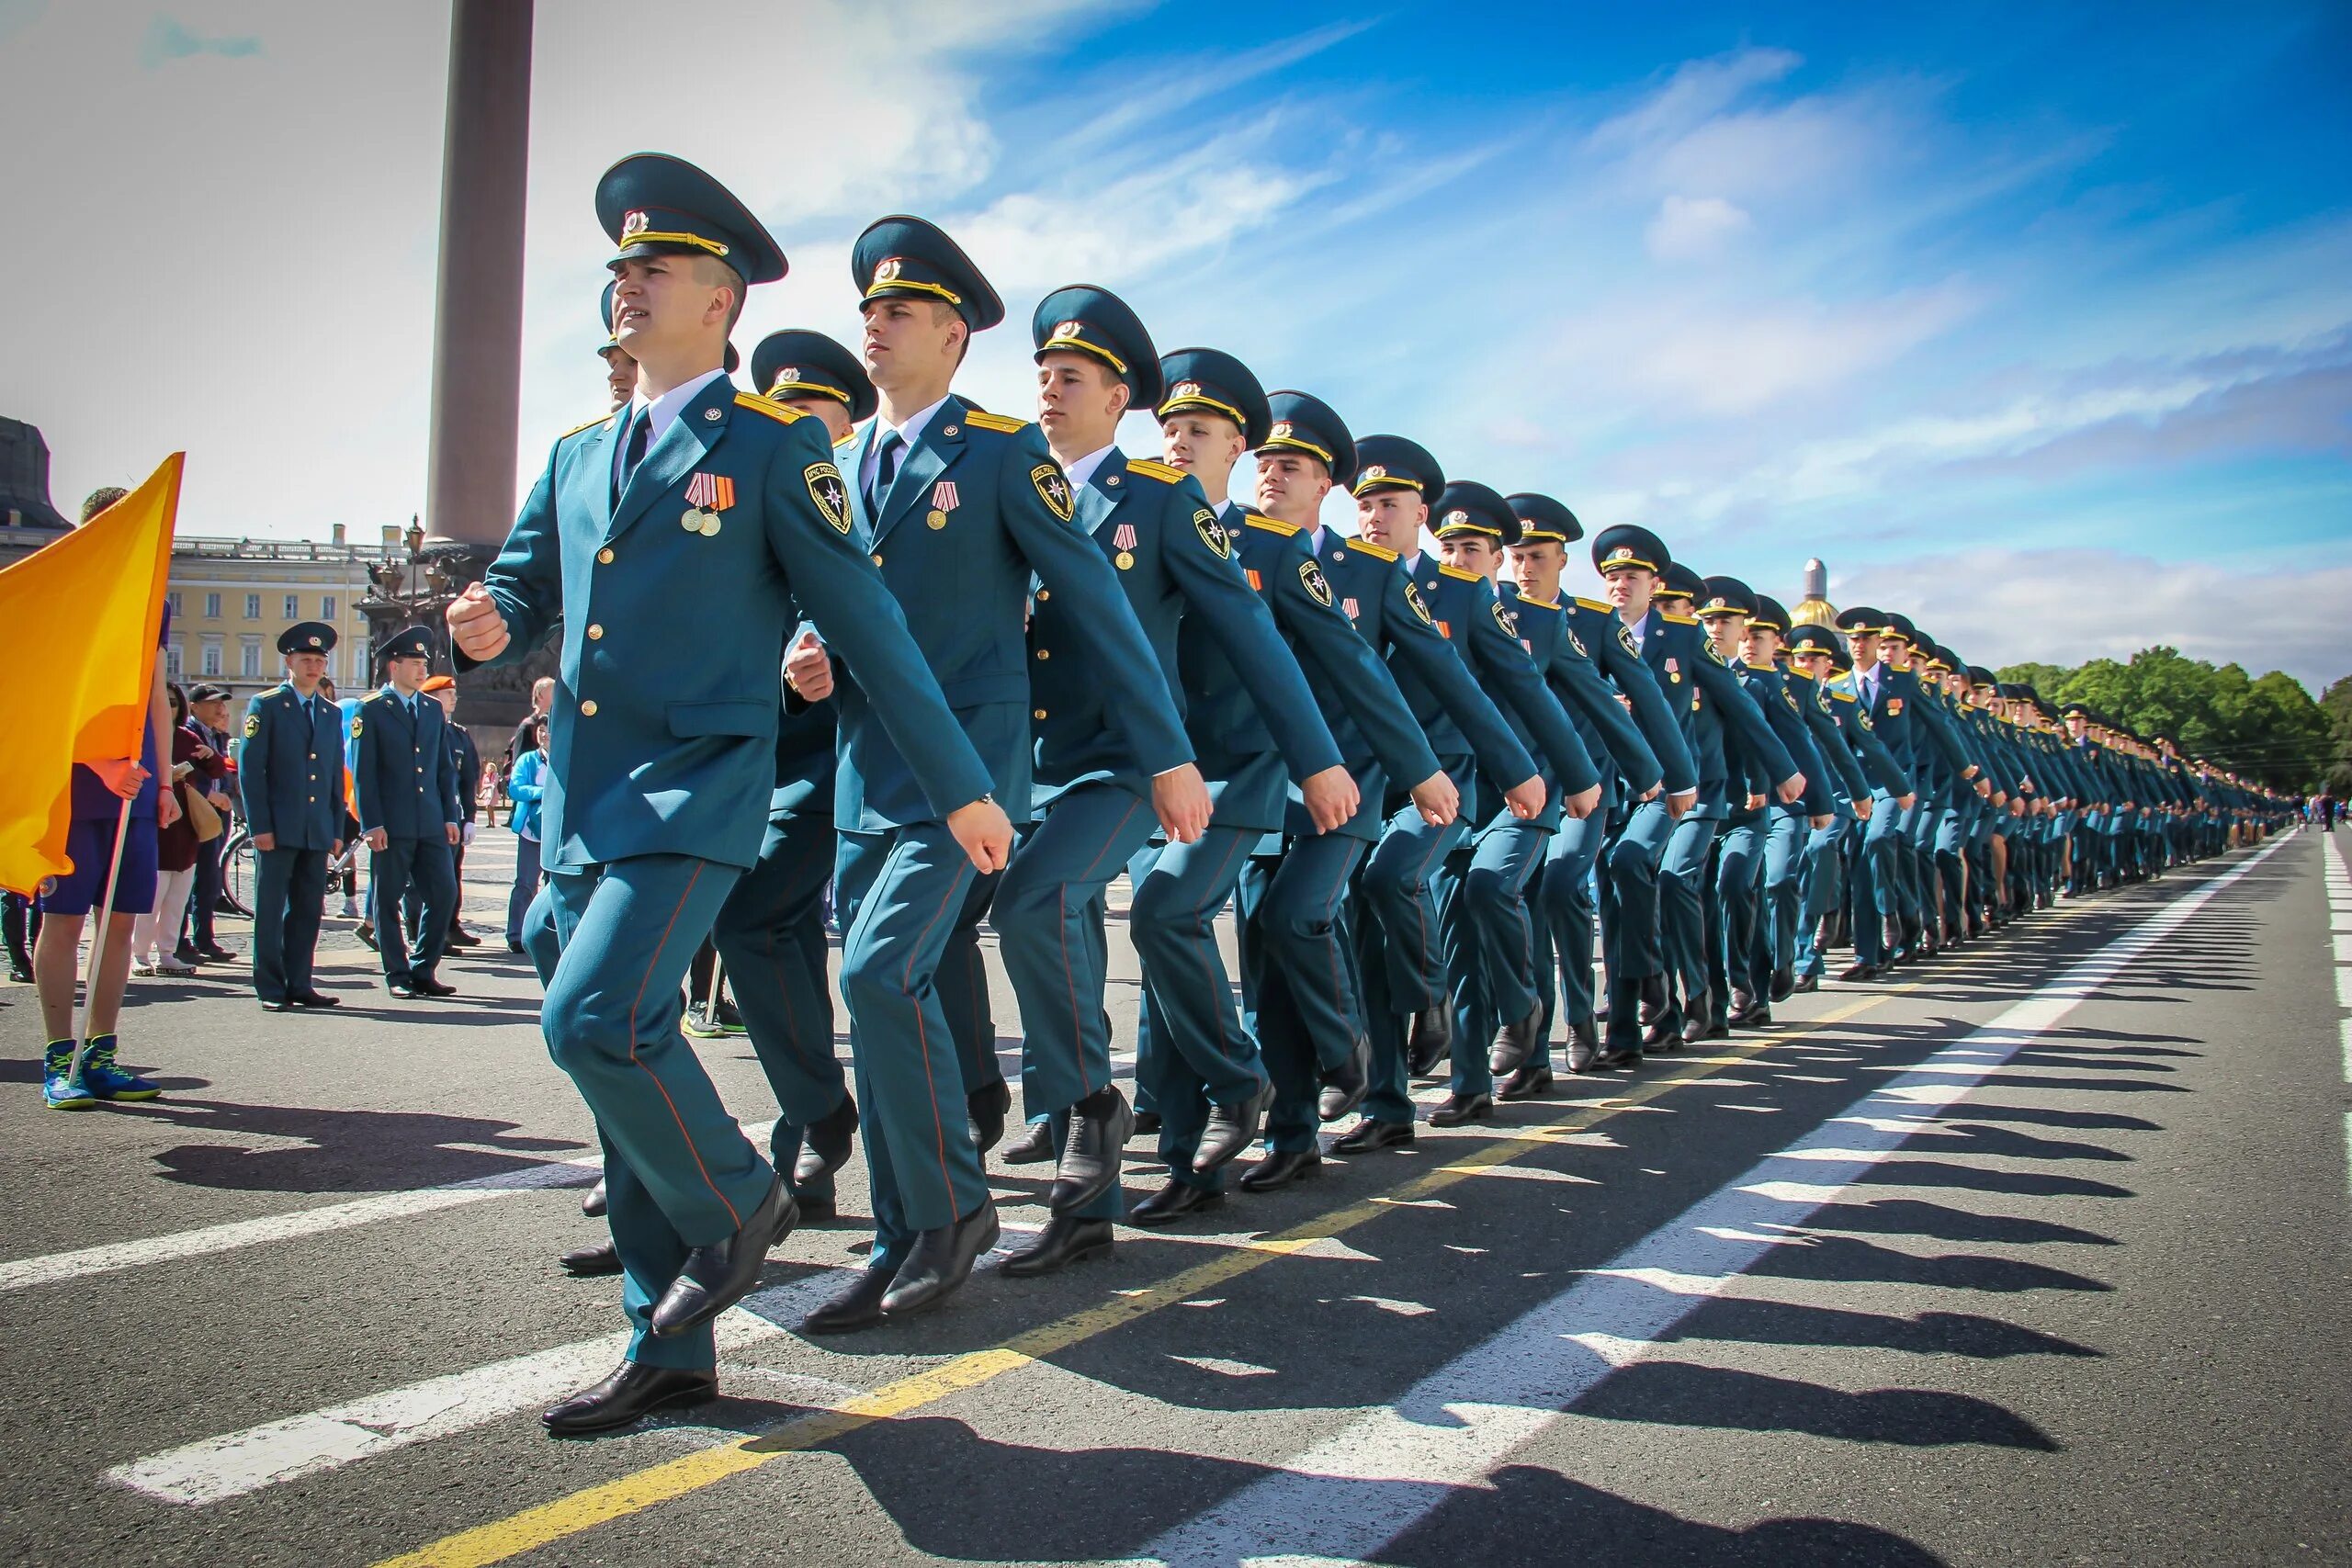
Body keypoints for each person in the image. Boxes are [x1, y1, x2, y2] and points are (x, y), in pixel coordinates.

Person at [447, 156, 1010, 1434]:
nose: (625, 286)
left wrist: (962, 785)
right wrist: (490, 619)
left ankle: (739, 1200)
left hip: (695, 790)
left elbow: (865, 619)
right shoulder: (582, 448)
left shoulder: (767, 447)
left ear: (717, 300)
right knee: (617, 1051)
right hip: (585, 799)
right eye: (620, 270)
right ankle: (671, 1343)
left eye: (651, 269)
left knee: (597, 1019)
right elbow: (529, 581)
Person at [777, 218, 1194, 1332]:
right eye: (867, 309)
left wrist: (1167, 757)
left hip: (969, 774)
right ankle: (904, 1227)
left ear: (952, 335)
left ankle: (952, 1214)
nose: (873, 324)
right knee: (876, 999)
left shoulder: (1001, 451)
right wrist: (806, 659)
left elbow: (1099, 605)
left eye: (897, 311)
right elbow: (841, 608)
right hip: (869, 771)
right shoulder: (841, 462)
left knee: (878, 975)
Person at [987, 286, 1341, 1276]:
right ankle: (1075, 1139)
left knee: (1054, 905)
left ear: (1115, 398)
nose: (1047, 396)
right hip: (1022, 768)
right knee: (1051, 933)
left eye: (1068, 379)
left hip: (1126, 763)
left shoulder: (1157, 500)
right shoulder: (1011, 483)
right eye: (1040, 379)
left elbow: (1251, 636)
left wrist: (1317, 761)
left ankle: (1103, 1114)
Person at [1135, 348, 1437, 1222]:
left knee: (1279, 929)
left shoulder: (1321, 562)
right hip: (1177, 771)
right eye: (1267, 460)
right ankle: (1210, 1153)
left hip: (1297, 773)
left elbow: (1367, 673)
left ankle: (1328, 1086)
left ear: (1326, 485)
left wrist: (1421, 772)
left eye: (1289, 464)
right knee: (1224, 959)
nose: (1272, 476)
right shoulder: (1162, 518)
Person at [38, 486, 177, 1109]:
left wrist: (166, 780)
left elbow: (156, 695)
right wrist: (95, 761)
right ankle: (57, 1057)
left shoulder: (153, 602)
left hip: (140, 790)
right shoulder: (64, 589)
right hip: (74, 787)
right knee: (64, 919)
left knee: (121, 922)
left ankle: (100, 1052)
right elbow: (45, 694)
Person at [240, 623, 348, 1012]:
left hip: (316, 829)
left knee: (307, 910)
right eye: (306, 659)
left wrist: (336, 828)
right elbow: (251, 770)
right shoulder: (267, 705)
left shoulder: (330, 712)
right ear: (289, 662)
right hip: (279, 827)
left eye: (319, 660)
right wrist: (259, 826)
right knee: (269, 911)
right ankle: (270, 985)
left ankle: (300, 981)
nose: (313, 666)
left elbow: (335, 773)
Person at [352, 626, 462, 998]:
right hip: (393, 824)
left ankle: (423, 967)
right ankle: (397, 973)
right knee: (387, 900)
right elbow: (364, 773)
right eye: (414, 663)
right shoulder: (371, 710)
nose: (421, 671)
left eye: (424, 664)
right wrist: (372, 823)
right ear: (393, 666)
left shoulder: (431, 710)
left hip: (430, 821)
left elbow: (443, 769)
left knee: (443, 893)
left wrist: (451, 814)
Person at [130, 682, 209, 976]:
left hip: (186, 825)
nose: (170, 708)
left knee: (177, 898)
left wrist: (208, 757)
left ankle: (167, 951)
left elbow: (215, 770)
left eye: (174, 702)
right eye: (165, 702)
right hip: (156, 826)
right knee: (151, 896)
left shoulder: (187, 736)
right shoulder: (142, 737)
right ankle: (139, 954)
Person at [417, 675, 482, 949]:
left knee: (452, 875)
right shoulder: (423, 728)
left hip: (452, 815)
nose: (454, 698)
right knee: (422, 882)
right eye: (447, 693)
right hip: (426, 814)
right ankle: (422, 933)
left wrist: (469, 817)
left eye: (454, 693)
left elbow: (468, 778)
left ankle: (449, 926)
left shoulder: (459, 733)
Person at [179, 682, 239, 962]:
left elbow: (224, 771)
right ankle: (180, 939)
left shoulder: (217, 736)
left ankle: (204, 937)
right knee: (191, 876)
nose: (220, 708)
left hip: (217, 812)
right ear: (194, 706)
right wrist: (211, 795)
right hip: (196, 811)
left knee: (209, 877)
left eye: (221, 703)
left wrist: (226, 793)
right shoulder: (187, 734)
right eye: (213, 703)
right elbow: (184, 774)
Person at [505, 716, 548, 953]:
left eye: (548, 731)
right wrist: (543, 792)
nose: (544, 735)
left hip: (557, 831)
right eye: (541, 731)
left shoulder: (565, 757)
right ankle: (515, 933)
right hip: (531, 829)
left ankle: (545, 933)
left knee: (555, 886)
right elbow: (516, 788)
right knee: (525, 883)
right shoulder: (528, 759)